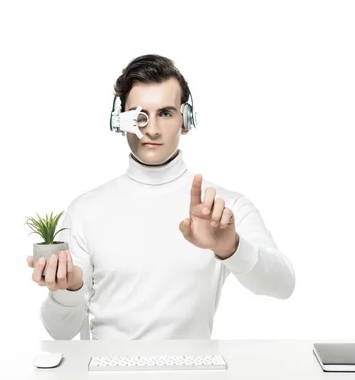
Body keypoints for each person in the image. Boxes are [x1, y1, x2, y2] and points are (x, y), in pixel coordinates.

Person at [26, 54, 295, 340]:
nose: (151, 129)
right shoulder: (85, 211)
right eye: (139, 116)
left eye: (165, 113)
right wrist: (69, 291)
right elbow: (60, 331)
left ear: (186, 120)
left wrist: (231, 247)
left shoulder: (222, 208)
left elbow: (283, 285)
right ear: (120, 123)